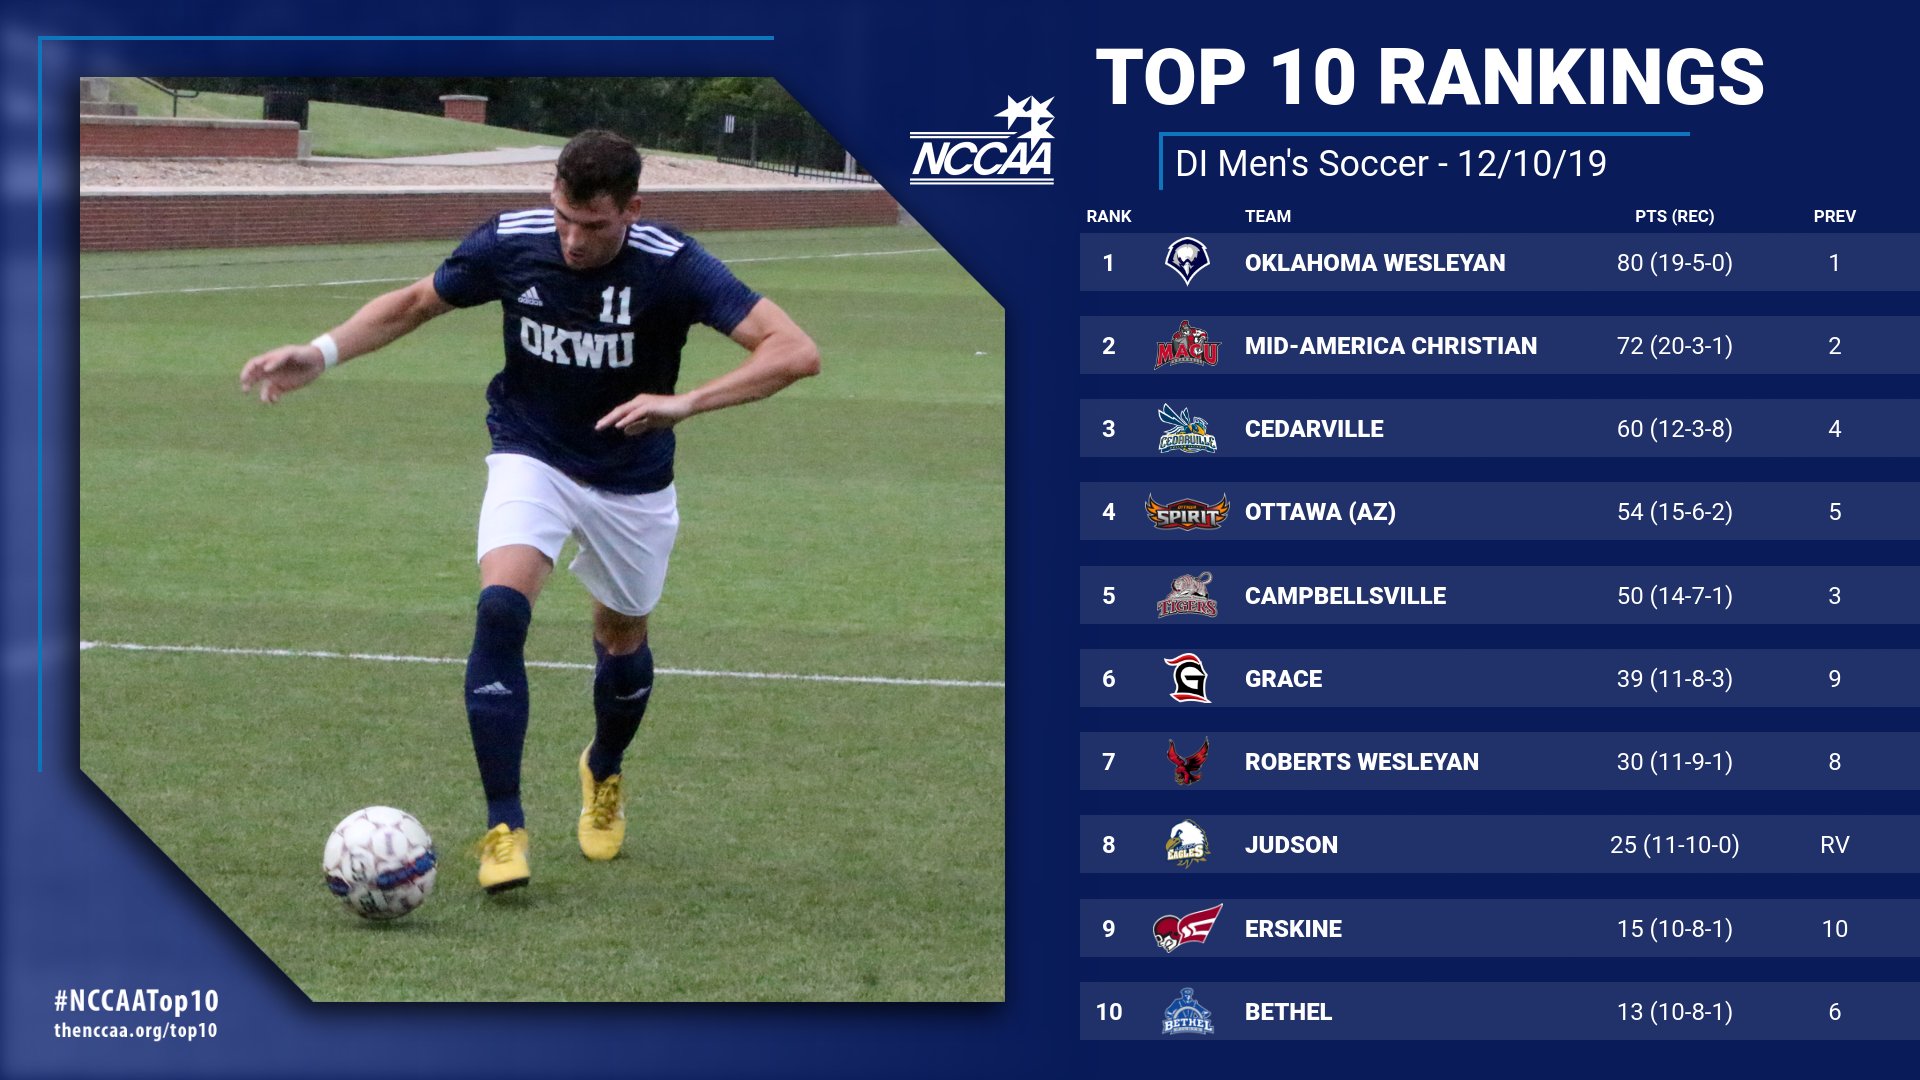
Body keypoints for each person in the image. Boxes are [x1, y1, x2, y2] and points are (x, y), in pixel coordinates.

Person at [238, 130, 821, 893]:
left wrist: (685, 403)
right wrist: (320, 353)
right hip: (531, 452)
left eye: (594, 225)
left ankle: (603, 767)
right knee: (500, 610)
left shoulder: (672, 263)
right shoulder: (511, 242)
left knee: (622, 640)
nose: (573, 240)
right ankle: (504, 827)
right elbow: (416, 302)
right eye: (563, 218)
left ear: (632, 209)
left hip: (631, 476)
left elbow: (794, 350)